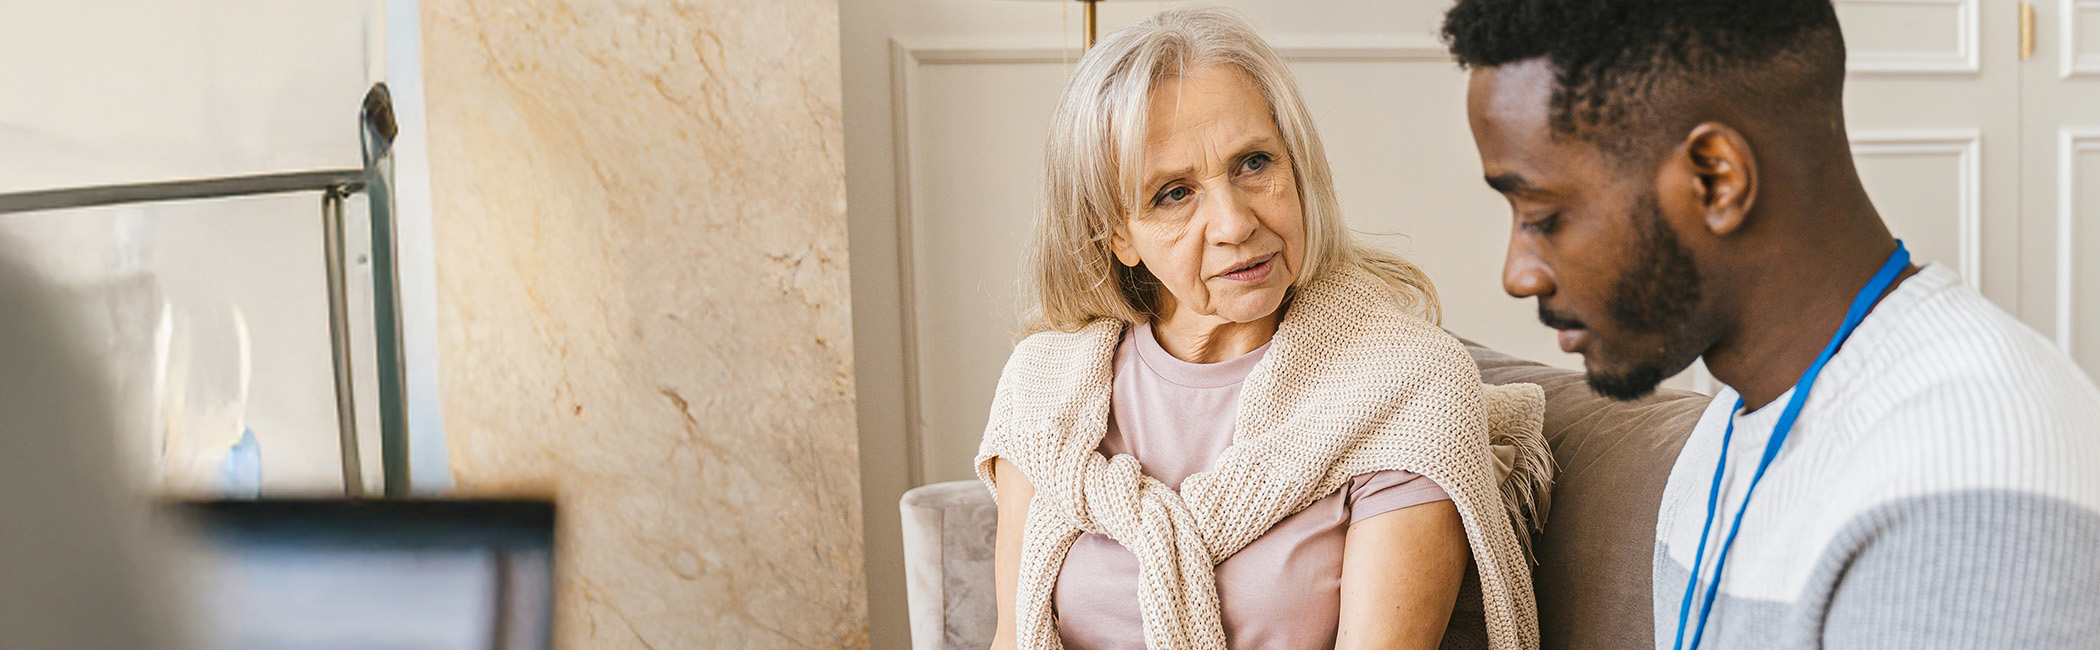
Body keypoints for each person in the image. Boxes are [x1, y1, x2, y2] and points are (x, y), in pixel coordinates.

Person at [1443, 0, 2100, 647]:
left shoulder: (1969, 473)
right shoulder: (1725, 433)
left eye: (1543, 216)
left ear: (1717, 178)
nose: (1518, 274)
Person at [976, 7, 1554, 650]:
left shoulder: (1406, 388)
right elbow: (1013, 636)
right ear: (1117, 234)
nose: (1234, 223)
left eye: (1254, 163)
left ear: (1296, 166)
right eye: (1173, 193)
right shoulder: (1046, 388)